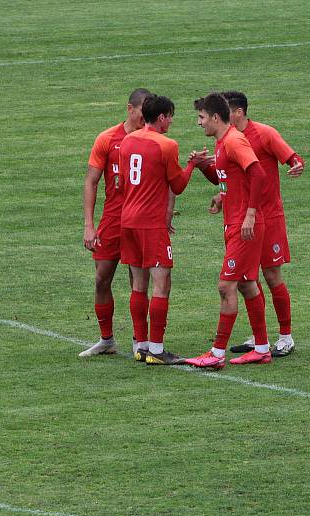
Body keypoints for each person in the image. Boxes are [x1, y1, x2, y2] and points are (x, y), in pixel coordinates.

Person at [184, 93, 271, 370]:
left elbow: (258, 173)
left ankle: (216, 353)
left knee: (226, 286)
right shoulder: (221, 143)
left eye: (201, 118)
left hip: (244, 226)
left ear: (215, 117)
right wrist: (222, 194)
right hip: (234, 223)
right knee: (246, 284)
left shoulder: (234, 141)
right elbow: (232, 178)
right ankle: (262, 348)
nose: (199, 123)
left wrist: (250, 214)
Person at [220, 91, 305, 357]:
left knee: (271, 275)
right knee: (247, 279)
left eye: (227, 111)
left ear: (239, 112)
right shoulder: (228, 139)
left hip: (268, 216)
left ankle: (286, 336)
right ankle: (260, 339)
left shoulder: (265, 134)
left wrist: (296, 165)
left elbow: (292, 158)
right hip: (246, 219)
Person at [119, 94, 199, 365]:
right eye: (171, 116)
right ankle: (156, 349)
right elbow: (177, 186)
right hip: (151, 224)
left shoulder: (127, 140)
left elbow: (122, 183)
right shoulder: (167, 145)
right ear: (162, 116)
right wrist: (193, 165)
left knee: (138, 285)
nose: (172, 121)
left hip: (127, 220)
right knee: (161, 283)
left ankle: (140, 346)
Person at [79, 88, 151, 358]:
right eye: (144, 109)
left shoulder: (154, 139)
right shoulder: (107, 139)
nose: (147, 115)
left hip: (140, 221)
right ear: (130, 108)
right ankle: (106, 339)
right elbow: (91, 181)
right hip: (112, 220)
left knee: (139, 281)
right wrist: (89, 224)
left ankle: (139, 339)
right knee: (101, 280)